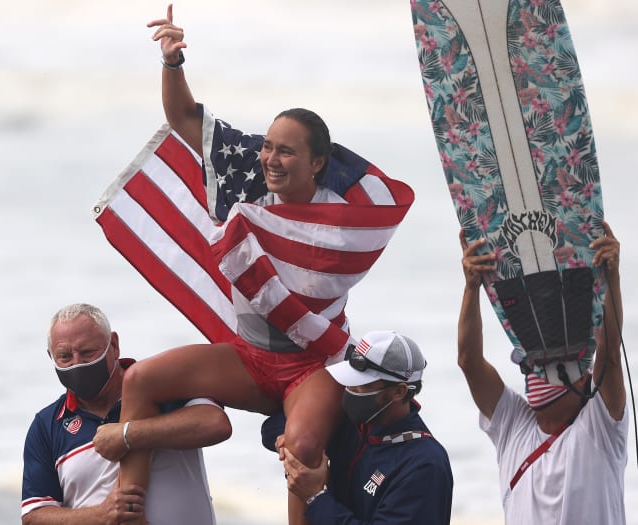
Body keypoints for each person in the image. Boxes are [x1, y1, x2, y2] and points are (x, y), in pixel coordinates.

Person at [96, 4, 415, 525]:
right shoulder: (248, 181)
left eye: (286, 152)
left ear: (317, 162)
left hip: (312, 363)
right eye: (267, 147)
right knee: (139, 381)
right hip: (249, 357)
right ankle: (126, 512)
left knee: (302, 444)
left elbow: (385, 213)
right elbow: (184, 120)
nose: (271, 159)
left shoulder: (342, 220)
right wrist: (172, 63)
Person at [457, 221, 628, 524]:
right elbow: (469, 361)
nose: (533, 372)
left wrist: (609, 276)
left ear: (584, 377)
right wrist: (472, 287)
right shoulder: (513, 425)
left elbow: (610, 355)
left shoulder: (601, 425)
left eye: (547, 365)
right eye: (528, 364)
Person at [21, 303, 232, 525]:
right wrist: (101, 515)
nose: (77, 363)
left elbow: (216, 424)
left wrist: (126, 435)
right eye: (64, 356)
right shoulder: (46, 425)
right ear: (51, 357)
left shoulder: (161, 385)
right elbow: (35, 516)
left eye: (87, 352)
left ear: (114, 345)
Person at [262, 330, 453, 524]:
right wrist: (300, 441)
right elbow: (272, 427)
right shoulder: (354, 424)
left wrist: (315, 496)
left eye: (360, 386)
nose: (349, 391)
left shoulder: (424, 466)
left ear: (398, 391)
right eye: (348, 382)